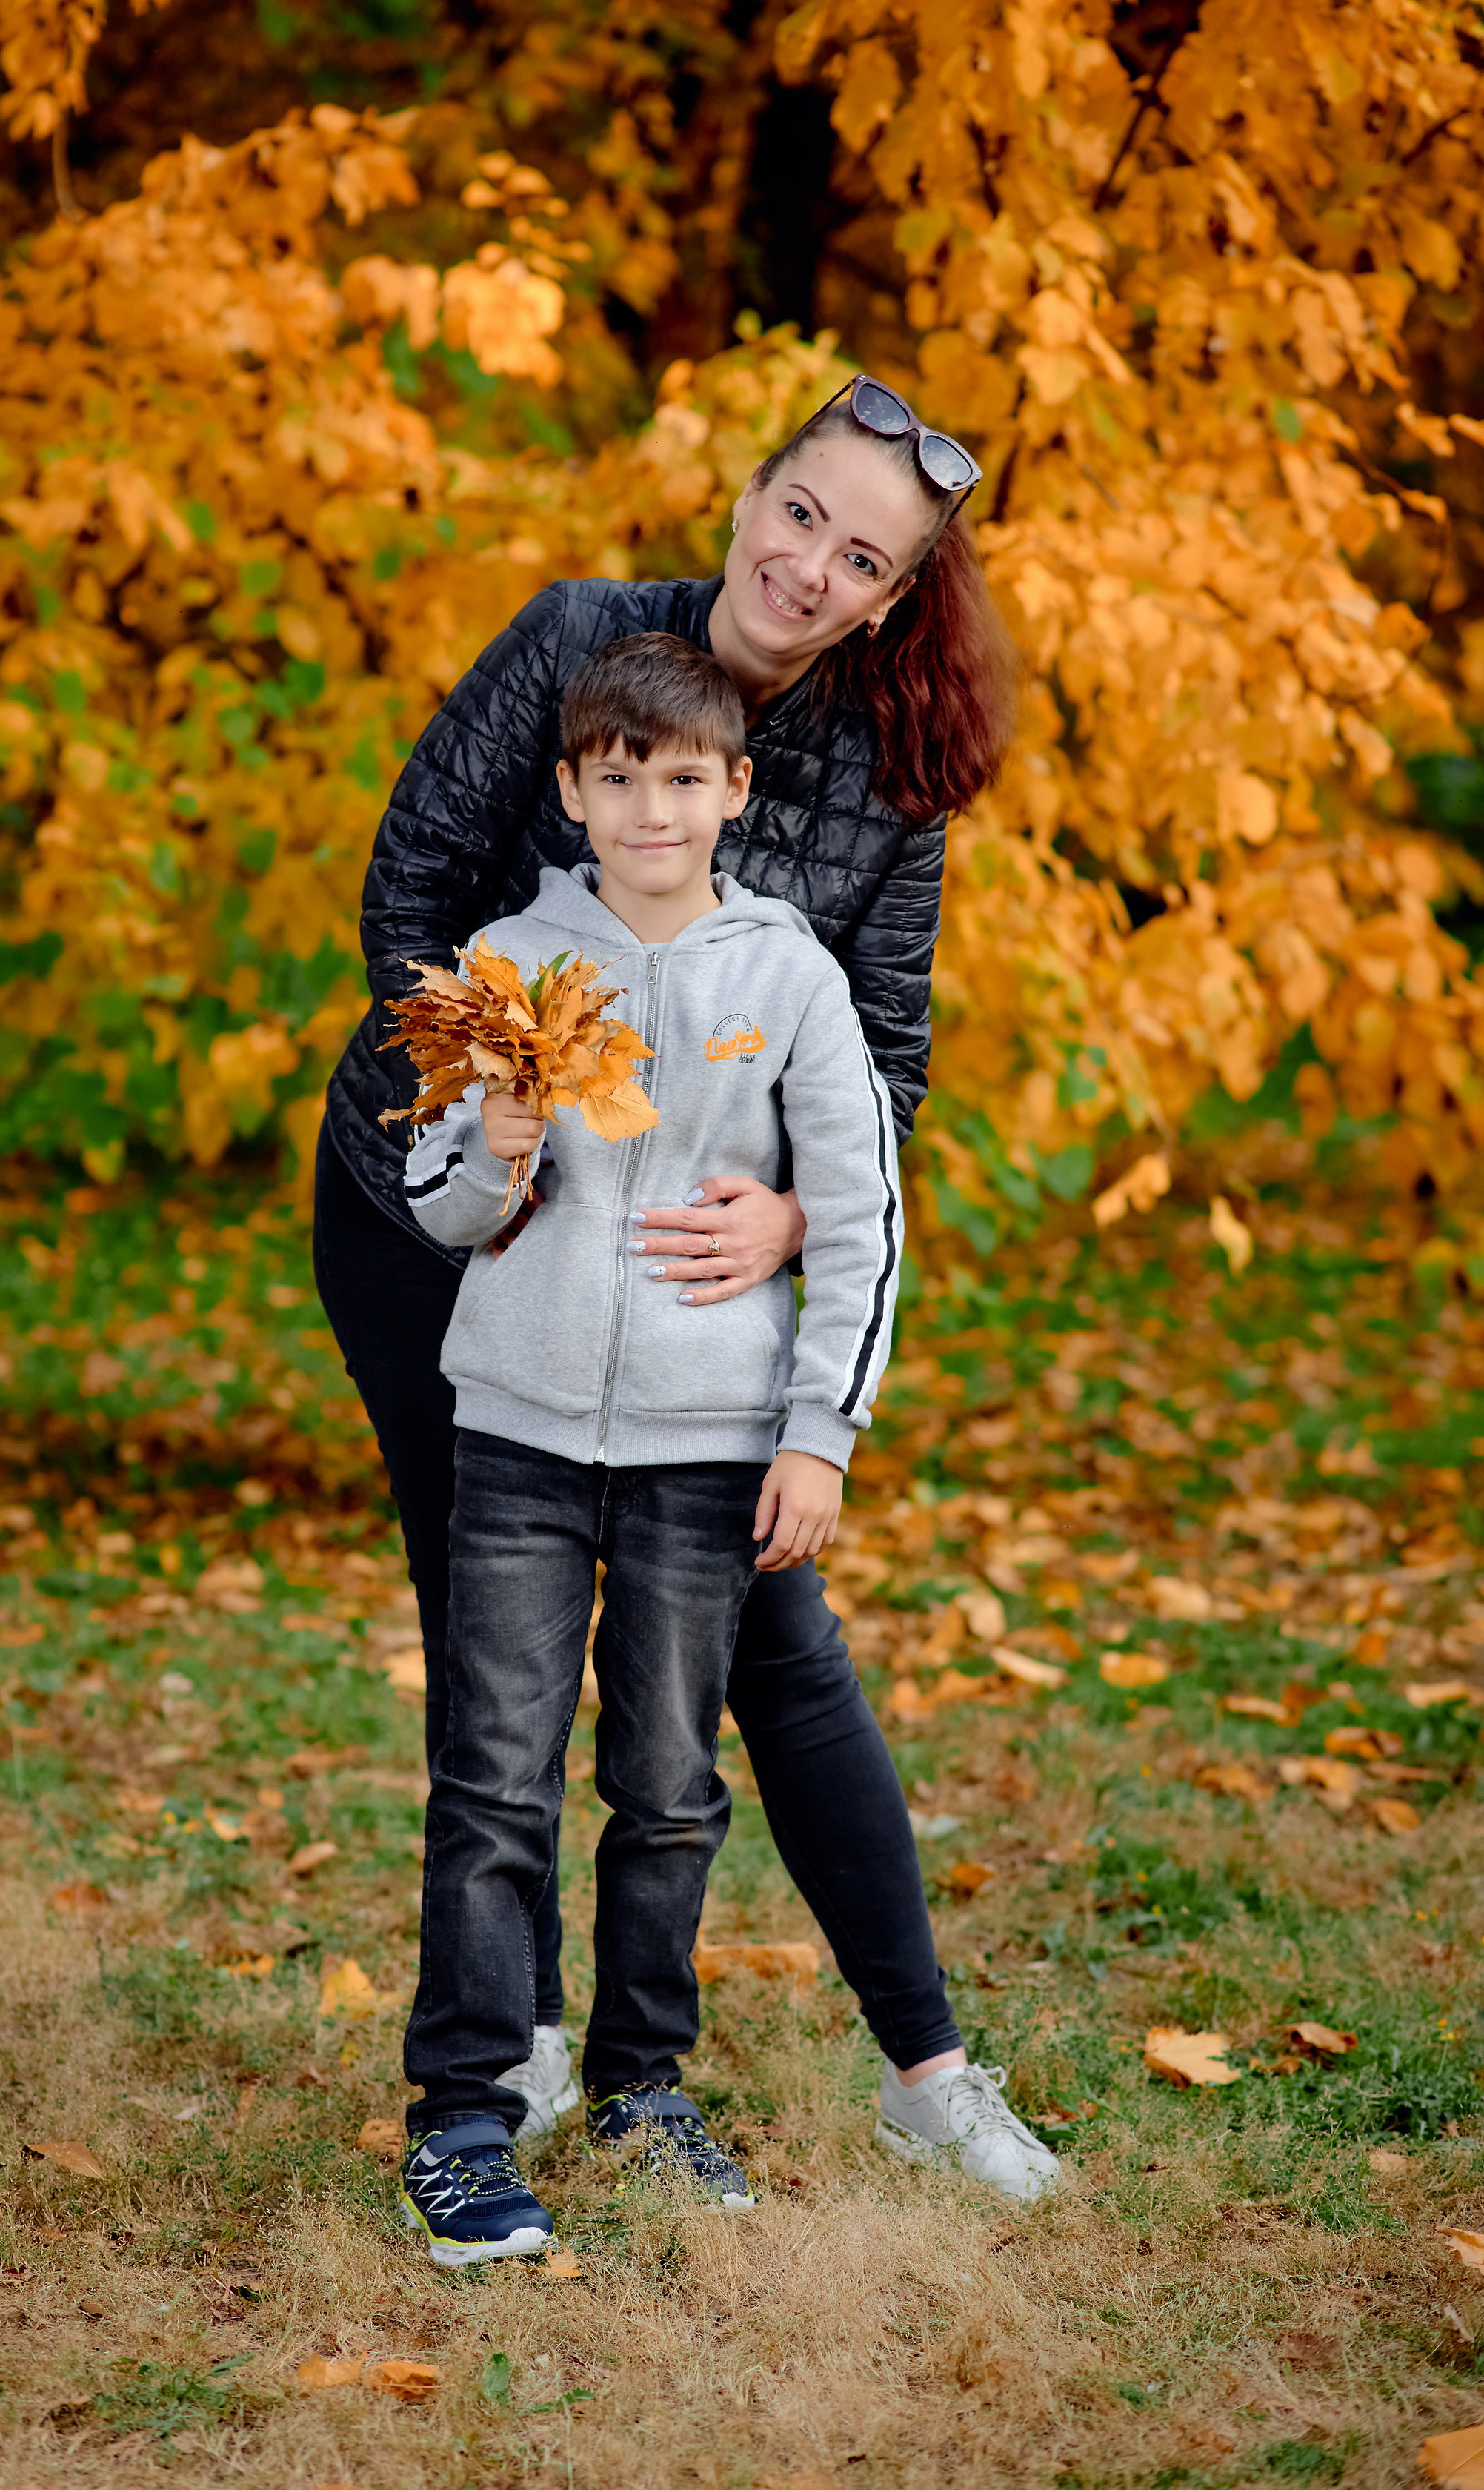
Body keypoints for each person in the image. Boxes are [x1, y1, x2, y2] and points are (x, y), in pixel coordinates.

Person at [316, 374, 1059, 2202]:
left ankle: (926, 2066)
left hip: (698, 1289)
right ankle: (526, 2043)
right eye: (801, 513)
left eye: (861, 556)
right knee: (490, 1639)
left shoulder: (888, 783)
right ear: (754, 493)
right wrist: (510, 1099)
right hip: (452, 1217)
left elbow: (881, 1072)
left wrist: (798, 1225)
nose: (810, 567)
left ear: (892, 600)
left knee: (769, 1647)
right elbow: (408, 886)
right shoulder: (582, 645)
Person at [398, 632, 905, 2263]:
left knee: (672, 1788)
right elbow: (433, 1207)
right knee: (491, 1778)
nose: (648, 810)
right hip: (524, 1442)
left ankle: (642, 2086)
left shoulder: (790, 978)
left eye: (681, 779)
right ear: (571, 791)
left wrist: (819, 1435)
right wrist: (499, 1150)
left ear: (733, 791)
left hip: (707, 1447)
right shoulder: (505, 966)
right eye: (616, 781)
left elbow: (863, 1207)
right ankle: (467, 2114)